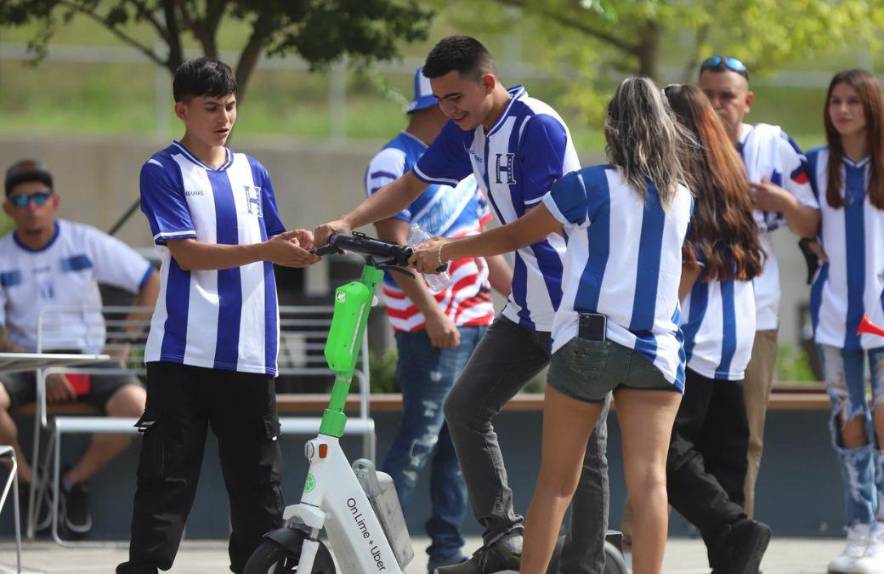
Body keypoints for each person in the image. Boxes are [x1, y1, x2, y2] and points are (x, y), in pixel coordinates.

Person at [314, 36, 610, 574]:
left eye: (456, 99)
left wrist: (450, 250)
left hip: (574, 308)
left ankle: (587, 564)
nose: (449, 112)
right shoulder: (467, 131)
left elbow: (535, 225)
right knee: (464, 409)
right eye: (440, 102)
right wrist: (345, 223)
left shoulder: (536, 127)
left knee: (584, 446)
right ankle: (503, 535)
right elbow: (410, 184)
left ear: (487, 82)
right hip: (527, 306)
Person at [411, 76, 691, 574]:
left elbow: (516, 234)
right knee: (650, 483)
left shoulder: (587, 186)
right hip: (658, 351)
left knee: (556, 484)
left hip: (591, 342)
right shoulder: (682, 196)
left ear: (611, 128)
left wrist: (446, 249)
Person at [116, 57, 319, 574]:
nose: (224, 117)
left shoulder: (255, 172)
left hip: (251, 353)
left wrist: (303, 245)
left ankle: (259, 568)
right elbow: (188, 254)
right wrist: (267, 249)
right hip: (182, 352)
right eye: (211, 108)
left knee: (258, 480)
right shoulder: (162, 169)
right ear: (182, 109)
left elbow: (275, 241)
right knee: (166, 475)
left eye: (230, 106)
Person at [367, 67, 512, 573]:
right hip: (430, 326)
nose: (458, 112)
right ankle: (378, 549)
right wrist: (431, 312)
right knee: (420, 436)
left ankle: (446, 551)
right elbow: (394, 248)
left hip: (475, 319)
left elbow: (482, 237)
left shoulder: (468, 157)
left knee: (459, 442)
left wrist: (520, 296)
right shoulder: (394, 160)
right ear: (432, 106)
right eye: (448, 102)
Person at [806, 69, 884, 574]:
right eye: (835, 100)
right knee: (848, 418)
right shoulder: (815, 165)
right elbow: (798, 218)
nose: (842, 110)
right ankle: (858, 528)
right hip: (833, 312)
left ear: (873, 109)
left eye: (853, 102)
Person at [0, 159, 156, 538]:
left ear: (54, 201)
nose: (32, 206)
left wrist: (124, 340)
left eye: (39, 197)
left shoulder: (84, 241)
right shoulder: (3, 254)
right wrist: (42, 367)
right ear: (8, 209)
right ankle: (32, 485)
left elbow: (151, 281)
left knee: (141, 409)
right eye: (21, 200)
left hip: (89, 359)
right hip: (25, 360)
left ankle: (71, 483)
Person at [697, 55, 820, 515]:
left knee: (747, 433)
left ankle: (738, 536)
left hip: (755, 312)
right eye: (706, 93)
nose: (716, 104)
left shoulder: (772, 145)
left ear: (747, 101)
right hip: (686, 312)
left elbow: (810, 223)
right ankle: (634, 538)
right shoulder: (677, 145)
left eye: (726, 95)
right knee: (666, 431)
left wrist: (782, 201)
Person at [662, 83, 771, 574]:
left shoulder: (679, 178)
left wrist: (653, 321)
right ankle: (737, 558)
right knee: (726, 464)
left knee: (662, 451)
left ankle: (735, 529)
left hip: (691, 334)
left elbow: (689, 262)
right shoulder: (729, 171)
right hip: (734, 336)